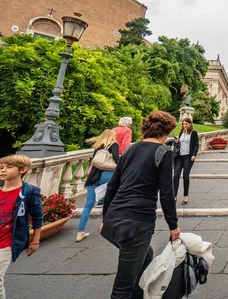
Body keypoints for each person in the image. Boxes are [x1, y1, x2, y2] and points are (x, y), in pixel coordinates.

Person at [101, 110, 180, 299]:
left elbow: (112, 186)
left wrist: (105, 218)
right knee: (122, 287)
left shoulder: (130, 150)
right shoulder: (163, 152)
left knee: (146, 256)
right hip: (137, 223)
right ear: (167, 131)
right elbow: (167, 194)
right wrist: (173, 225)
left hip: (114, 219)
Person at [0, 155, 43, 299]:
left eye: (9, 167)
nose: (3, 171)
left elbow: (37, 217)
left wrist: (35, 240)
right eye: (1, 167)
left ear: (23, 170)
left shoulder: (29, 191)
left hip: (6, 243)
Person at [77, 130, 119, 242]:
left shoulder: (97, 146)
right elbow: (116, 159)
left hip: (93, 177)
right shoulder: (114, 144)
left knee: (88, 205)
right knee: (111, 201)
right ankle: (106, 226)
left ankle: (80, 231)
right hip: (107, 175)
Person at [173, 118, 199, 205]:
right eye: (183, 124)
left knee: (185, 176)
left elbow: (196, 145)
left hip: (188, 156)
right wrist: (177, 141)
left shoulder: (193, 133)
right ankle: (174, 196)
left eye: (186, 124)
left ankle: (185, 196)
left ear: (190, 124)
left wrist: (194, 155)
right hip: (179, 156)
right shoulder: (181, 132)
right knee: (176, 175)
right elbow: (180, 142)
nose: (185, 126)